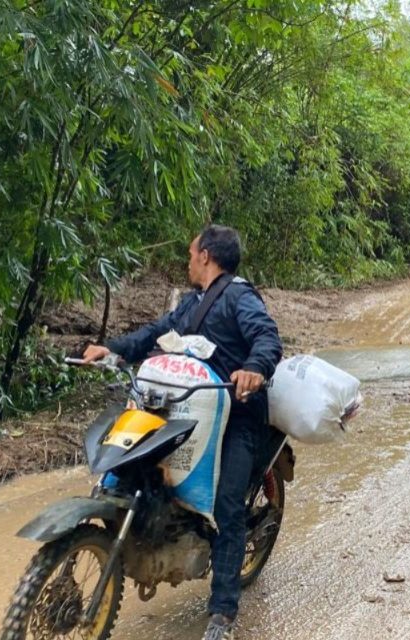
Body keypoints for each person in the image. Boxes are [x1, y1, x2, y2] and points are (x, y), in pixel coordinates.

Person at [81, 224, 283, 640]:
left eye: (191, 253)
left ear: (206, 255)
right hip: (185, 407)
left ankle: (223, 614)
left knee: (228, 505)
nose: (188, 260)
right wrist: (114, 349)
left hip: (236, 415)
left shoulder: (240, 297)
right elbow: (155, 334)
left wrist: (254, 370)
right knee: (135, 466)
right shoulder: (191, 305)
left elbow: (267, 337)